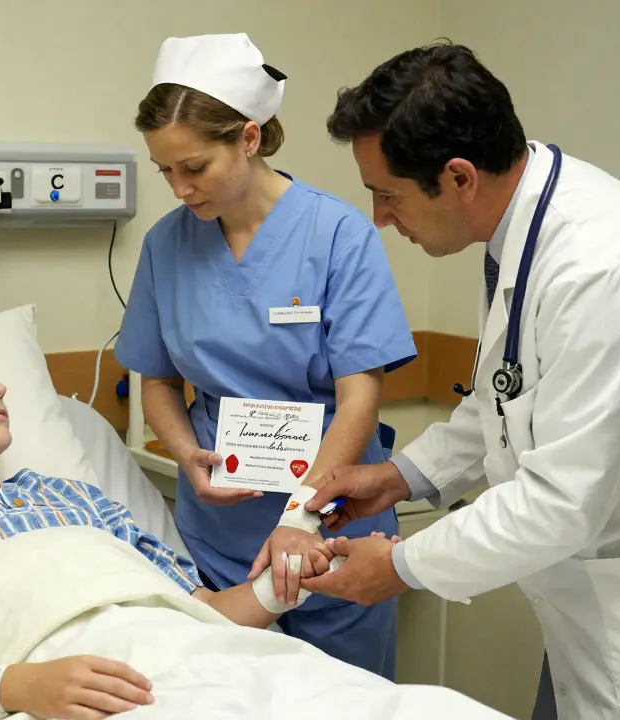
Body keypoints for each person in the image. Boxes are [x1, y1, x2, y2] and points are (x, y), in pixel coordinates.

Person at [299, 42, 620, 719]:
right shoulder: (525, 225)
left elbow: (561, 502)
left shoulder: (603, 269)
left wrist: (397, 568)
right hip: (606, 600)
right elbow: (508, 391)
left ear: (459, 177)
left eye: (387, 196)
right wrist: (399, 477)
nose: (379, 218)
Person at [0, 310, 347, 720]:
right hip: (71, 690)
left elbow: (202, 612)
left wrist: (290, 579)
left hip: (198, 661)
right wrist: (14, 688)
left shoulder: (77, 499)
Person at [113, 33, 418, 681]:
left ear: (248, 139)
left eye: (193, 168)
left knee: (344, 699)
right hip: (218, 541)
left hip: (333, 531)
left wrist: (301, 517)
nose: (178, 188)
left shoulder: (338, 235)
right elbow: (158, 384)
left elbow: (360, 396)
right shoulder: (166, 246)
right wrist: (184, 454)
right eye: (164, 170)